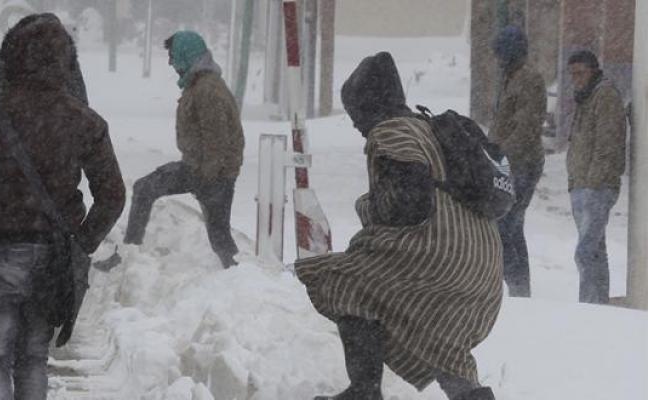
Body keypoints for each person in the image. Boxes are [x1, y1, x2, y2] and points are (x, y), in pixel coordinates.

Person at [0, 14, 126, 399]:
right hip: (54, 257)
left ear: (11, 57)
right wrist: (81, 244)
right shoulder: (83, 121)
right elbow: (113, 194)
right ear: (66, 62)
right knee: (33, 359)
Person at [295, 52, 501, 400]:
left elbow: (409, 202)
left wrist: (368, 205)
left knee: (341, 277)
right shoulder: (429, 127)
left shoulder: (391, 131)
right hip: (483, 269)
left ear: (369, 104)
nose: (355, 125)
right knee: (435, 330)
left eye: (355, 113)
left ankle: (364, 390)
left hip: (442, 257)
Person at [123, 30, 244, 268]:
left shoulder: (207, 90)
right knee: (220, 237)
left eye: (173, 56)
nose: (170, 63)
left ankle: (130, 253)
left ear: (186, 56)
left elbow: (217, 140)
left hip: (210, 173)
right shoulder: (200, 84)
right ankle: (237, 275)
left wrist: (206, 180)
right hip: (206, 170)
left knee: (145, 189)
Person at [488, 25, 547, 297]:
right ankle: (517, 286)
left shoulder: (529, 80)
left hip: (520, 164)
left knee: (506, 224)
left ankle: (517, 285)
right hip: (507, 163)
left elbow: (525, 128)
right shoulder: (511, 78)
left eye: (500, 54)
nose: (497, 60)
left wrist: (501, 154)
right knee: (511, 226)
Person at [566, 50, 627, 304]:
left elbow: (607, 143)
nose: (576, 79)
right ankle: (597, 304)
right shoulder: (586, 96)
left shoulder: (604, 95)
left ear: (593, 70)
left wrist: (593, 182)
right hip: (582, 184)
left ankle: (591, 305)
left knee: (586, 251)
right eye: (572, 74)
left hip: (596, 186)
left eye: (580, 73)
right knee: (594, 250)